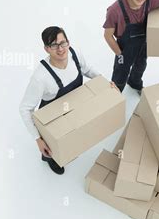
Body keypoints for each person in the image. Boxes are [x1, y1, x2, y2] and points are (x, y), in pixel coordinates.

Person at [19, 26, 115, 175]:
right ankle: (53, 159)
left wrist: (105, 82)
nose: (60, 49)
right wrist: (38, 139)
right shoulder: (40, 77)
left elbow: (87, 69)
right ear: (46, 49)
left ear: (68, 42)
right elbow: (25, 108)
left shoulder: (74, 54)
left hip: (74, 104)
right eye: (54, 45)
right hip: (53, 116)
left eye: (63, 43)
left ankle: (70, 148)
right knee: (53, 148)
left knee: (74, 134)